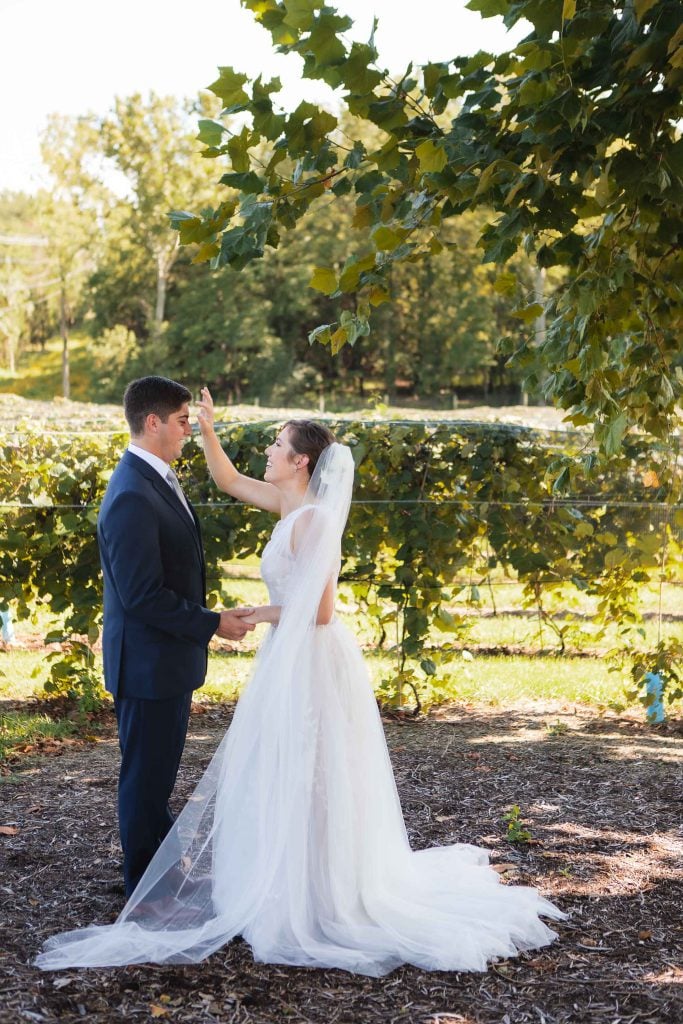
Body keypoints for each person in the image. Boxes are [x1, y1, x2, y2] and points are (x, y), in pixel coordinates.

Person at [36, 389, 564, 975]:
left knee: (312, 766)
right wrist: (208, 430)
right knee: (280, 766)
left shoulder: (312, 520)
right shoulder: (286, 504)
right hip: (279, 658)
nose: (268, 448)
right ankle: (265, 874)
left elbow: (320, 611)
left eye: (277, 443)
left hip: (308, 655)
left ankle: (313, 885)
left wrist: (254, 615)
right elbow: (231, 479)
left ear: (300, 461)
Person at [91, 376, 254, 899]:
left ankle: (160, 872)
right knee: (145, 776)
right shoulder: (132, 494)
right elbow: (141, 596)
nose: (190, 429)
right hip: (147, 663)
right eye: (184, 421)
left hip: (162, 660)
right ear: (153, 421)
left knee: (156, 773)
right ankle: (145, 884)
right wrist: (212, 623)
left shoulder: (154, 477)